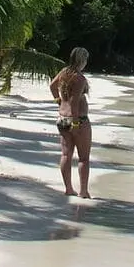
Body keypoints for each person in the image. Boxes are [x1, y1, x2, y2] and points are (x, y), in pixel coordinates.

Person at [49, 47, 92, 198]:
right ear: (82, 60)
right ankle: (83, 191)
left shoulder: (64, 72)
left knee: (66, 155)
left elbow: (52, 86)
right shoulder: (79, 78)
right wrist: (75, 125)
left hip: (62, 119)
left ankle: (68, 188)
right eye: (86, 59)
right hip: (77, 120)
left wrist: (59, 101)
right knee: (84, 158)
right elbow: (74, 103)